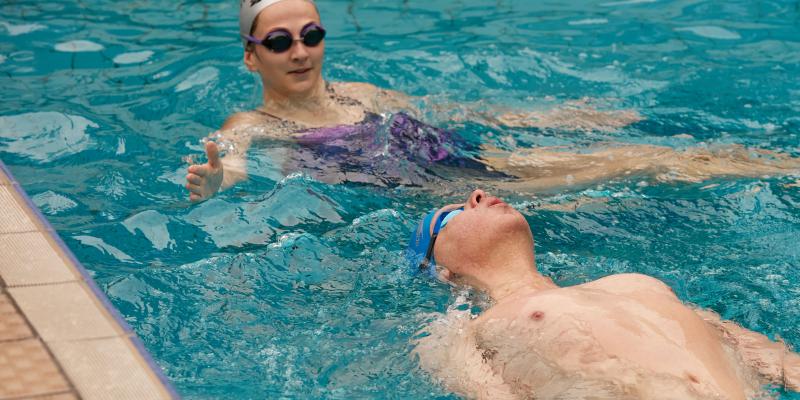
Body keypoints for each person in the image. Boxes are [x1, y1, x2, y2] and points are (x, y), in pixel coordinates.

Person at [184, 0, 800, 202]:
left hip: (469, 160)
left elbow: (460, 114)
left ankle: (785, 170)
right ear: (251, 55)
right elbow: (232, 158)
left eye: (312, 35)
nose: (299, 52)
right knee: (640, 162)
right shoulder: (251, 121)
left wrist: (563, 120)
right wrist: (220, 183)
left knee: (638, 151)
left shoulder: (363, 94)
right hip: (443, 193)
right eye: (280, 41)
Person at [408, 189, 800, 399]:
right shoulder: (459, 333)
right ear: (444, 271)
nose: (476, 193)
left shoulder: (635, 282)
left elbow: (767, 358)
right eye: (452, 215)